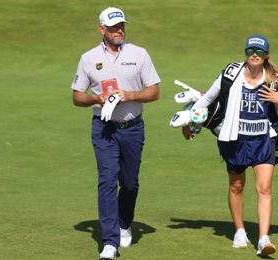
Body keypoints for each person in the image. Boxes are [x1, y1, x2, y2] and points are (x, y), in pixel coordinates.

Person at [183, 34, 278, 256]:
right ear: (246, 53)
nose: (254, 55)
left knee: (264, 188)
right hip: (234, 138)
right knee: (236, 186)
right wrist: (189, 119)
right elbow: (207, 98)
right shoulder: (231, 73)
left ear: (266, 56)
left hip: (263, 139)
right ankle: (240, 231)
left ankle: (263, 238)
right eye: (250, 50)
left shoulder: (274, 79)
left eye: (259, 52)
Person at [71, 7, 160, 260]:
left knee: (129, 184)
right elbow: (77, 97)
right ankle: (110, 241)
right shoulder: (88, 58)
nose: (119, 30)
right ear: (102, 30)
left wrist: (129, 95)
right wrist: (94, 99)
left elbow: (154, 91)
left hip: (132, 128)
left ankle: (124, 222)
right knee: (107, 180)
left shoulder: (139, 54)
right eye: (113, 27)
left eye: (121, 25)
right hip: (104, 129)